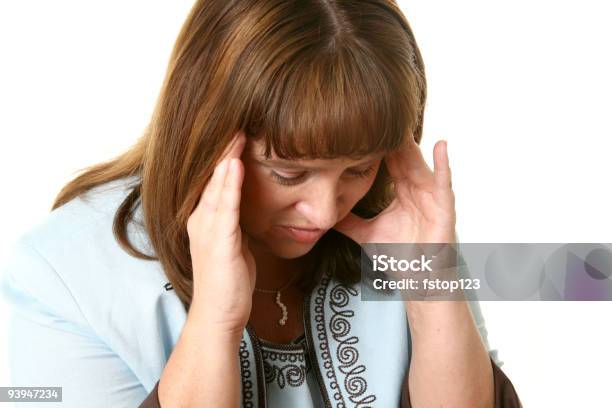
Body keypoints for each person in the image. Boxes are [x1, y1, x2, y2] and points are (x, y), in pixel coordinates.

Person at [1, 0, 522, 406]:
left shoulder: (402, 231)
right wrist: (216, 322)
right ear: (207, 131)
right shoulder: (58, 277)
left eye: (358, 169)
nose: (324, 211)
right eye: (288, 173)